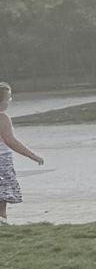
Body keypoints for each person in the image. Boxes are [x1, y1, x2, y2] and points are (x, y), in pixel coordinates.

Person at [0, 84, 47, 221]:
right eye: (7, 98)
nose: (9, 101)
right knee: (3, 194)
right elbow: (10, 141)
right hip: (2, 161)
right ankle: (2, 220)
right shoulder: (3, 118)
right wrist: (32, 156)